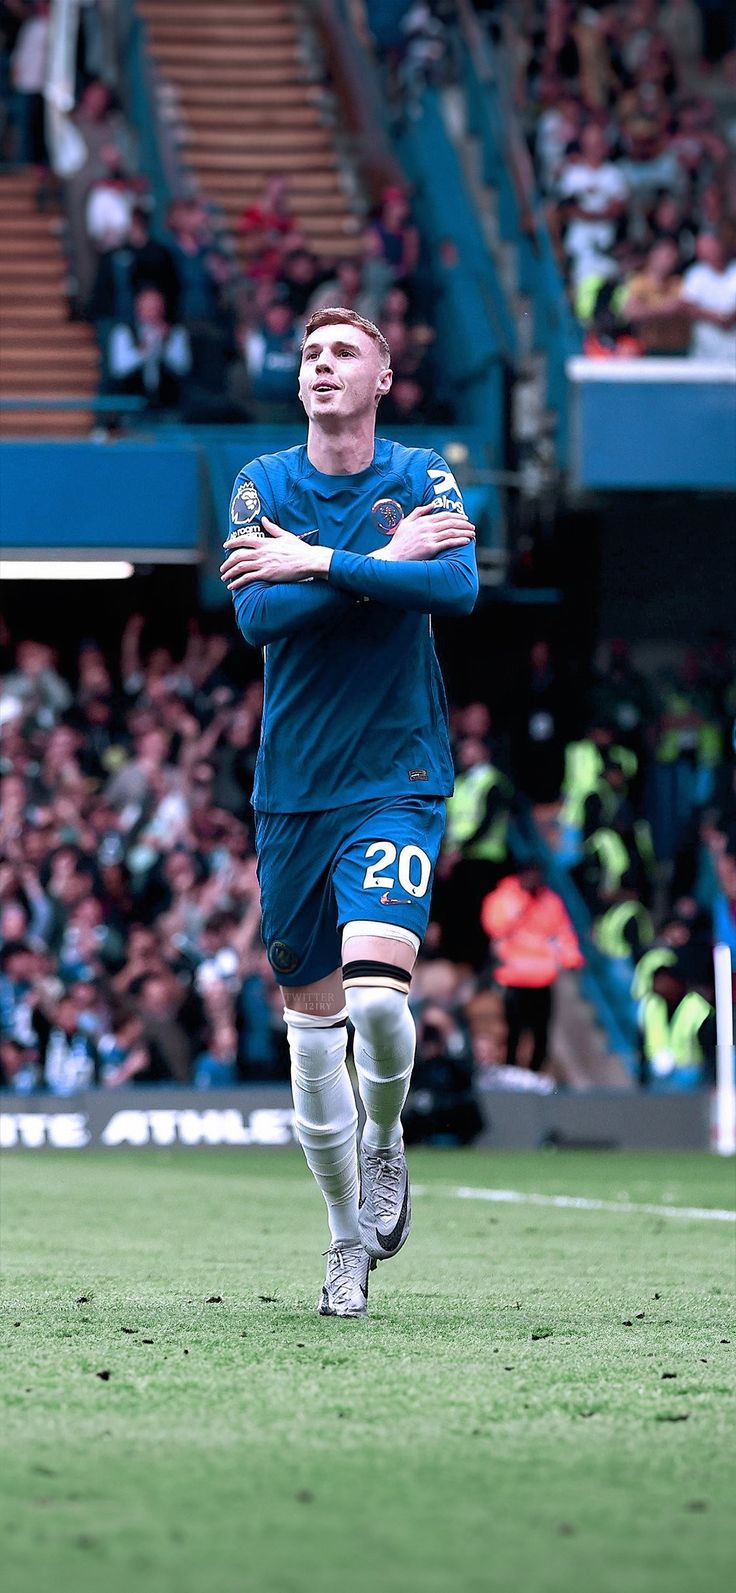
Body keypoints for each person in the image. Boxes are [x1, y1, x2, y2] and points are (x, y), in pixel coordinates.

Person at [220, 305, 478, 1318]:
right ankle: (342, 1244)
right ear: (300, 386)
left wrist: (317, 562)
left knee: (379, 1000)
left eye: (344, 354)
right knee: (312, 1030)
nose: (323, 366)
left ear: (382, 379)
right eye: (310, 356)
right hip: (291, 792)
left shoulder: (420, 476)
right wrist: (381, 568)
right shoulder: (262, 484)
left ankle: (385, 1140)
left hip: (395, 774)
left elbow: (453, 587)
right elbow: (257, 614)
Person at [481, 866, 583, 1073]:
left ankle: (535, 1073)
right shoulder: (503, 898)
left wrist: (572, 958)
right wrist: (523, 907)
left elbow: (563, 933)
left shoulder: (551, 901)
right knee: (513, 1029)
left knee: (541, 1031)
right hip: (514, 977)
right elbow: (496, 928)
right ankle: (509, 1070)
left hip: (543, 978)